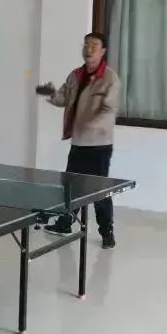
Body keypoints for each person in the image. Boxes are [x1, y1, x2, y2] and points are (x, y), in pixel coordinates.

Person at [37, 32, 121, 248]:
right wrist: (51, 94)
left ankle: (107, 232)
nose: (88, 49)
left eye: (94, 45)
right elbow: (63, 99)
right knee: (71, 187)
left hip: (99, 145)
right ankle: (66, 223)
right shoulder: (75, 75)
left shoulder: (110, 78)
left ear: (103, 51)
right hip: (79, 143)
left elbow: (108, 109)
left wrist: (91, 122)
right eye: (86, 44)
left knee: (99, 190)